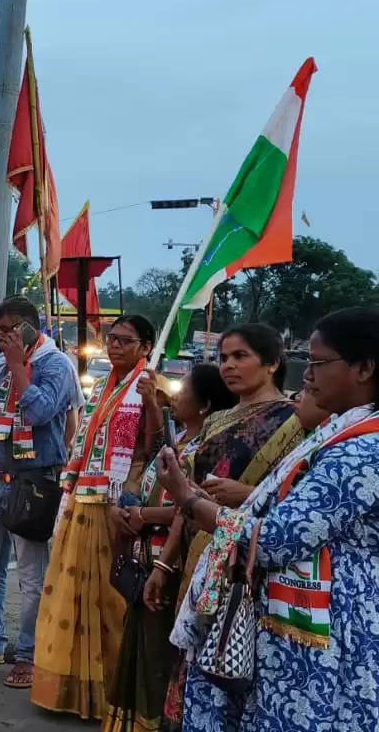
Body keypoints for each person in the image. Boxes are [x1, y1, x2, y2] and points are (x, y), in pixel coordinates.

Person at [158, 307, 379, 732]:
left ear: (365, 367)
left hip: (320, 630)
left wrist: (188, 499)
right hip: (287, 617)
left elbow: (276, 539)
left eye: (318, 362)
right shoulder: (339, 433)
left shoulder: (362, 450)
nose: (308, 375)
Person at [153, 324, 303, 731]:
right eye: (223, 358)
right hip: (198, 552)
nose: (229, 366)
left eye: (241, 356)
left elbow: (296, 507)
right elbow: (189, 499)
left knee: (230, 658)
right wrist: (164, 564)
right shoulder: (217, 420)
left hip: (246, 559)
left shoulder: (296, 421)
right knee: (190, 654)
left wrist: (248, 491)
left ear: (272, 363)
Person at [30, 314, 159, 715]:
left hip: (116, 505)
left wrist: (153, 401)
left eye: (126, 340)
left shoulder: (148, 388)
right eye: (112, 338)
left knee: (109, 599)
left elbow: (156, 447)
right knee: (70, 592)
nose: (115, 346)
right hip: (81, 498)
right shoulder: (103, 385)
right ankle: (67, 691)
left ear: (145, 348)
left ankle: (110, 696)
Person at [0, 296, 79, 687]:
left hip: (33, 482)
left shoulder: (56, 365)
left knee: (30, 574)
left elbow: (40, 413)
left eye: (7, 329)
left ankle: (28, 653)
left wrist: (17, 367)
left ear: (27, 329)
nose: (0, 336)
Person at [103, 363, 237, 732]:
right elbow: (154, 442)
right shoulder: (181, 443)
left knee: (157, 656)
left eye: (183, 392)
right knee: (142, 648)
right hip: (145, 552)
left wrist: (142, 514)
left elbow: (187, 505)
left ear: (206, 405)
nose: (175, 397)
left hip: (169, 560)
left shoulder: (205, 451)